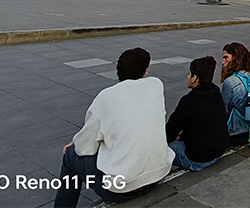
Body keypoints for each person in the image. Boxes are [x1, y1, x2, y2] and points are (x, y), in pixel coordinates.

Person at [54, 48, 174, 207]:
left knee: (70, 156)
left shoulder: (106, 97)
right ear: (145, 72)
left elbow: (85, 148)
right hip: (158, 174)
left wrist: (77, 143)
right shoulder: (156, 85)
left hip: (123, 188)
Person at [166, 57, 229, 171]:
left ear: (194, 78)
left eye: (189, 74)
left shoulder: (189, 100)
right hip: (218, 152)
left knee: (162, 146)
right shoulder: (216, 93)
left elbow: (170, 132)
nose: (188, 77)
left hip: (198, 159)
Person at [220, 42, 250, 145]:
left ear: (235, 58)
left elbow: (224, 111)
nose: (223, 62)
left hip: (237, 133)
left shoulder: (230, 82)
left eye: (226, 58)